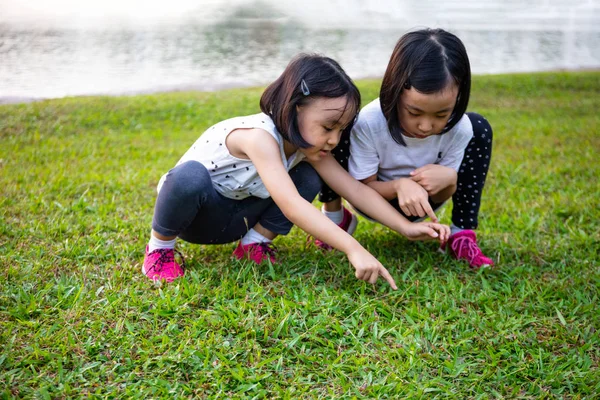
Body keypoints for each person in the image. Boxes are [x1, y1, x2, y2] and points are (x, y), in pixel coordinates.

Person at [142, 53, 450, 288]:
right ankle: (159, 250)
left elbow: (354, 190)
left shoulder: (307, 148)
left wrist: (405, 227)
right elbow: (292, 206)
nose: (334, 140)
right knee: (187, 177)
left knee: (308, 176)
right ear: (295, 107)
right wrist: (353, 249)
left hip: (239, 216)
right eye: (328, 127)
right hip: (196, 217)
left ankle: (254, 244)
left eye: (341, 130)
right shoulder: (258, 137)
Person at [318, 29, 494, 269]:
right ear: (395, 90)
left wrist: (451, 180)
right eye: (414, 112)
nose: (425, 126)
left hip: (425, 204)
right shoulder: (370, 121)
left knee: (480, 127)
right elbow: (361, 188)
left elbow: (442, 193)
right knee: (337, 128)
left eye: (442, 114)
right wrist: (399, 185)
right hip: (369, 198)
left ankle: (460, 235)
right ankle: (335, 219)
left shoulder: (460, 128)